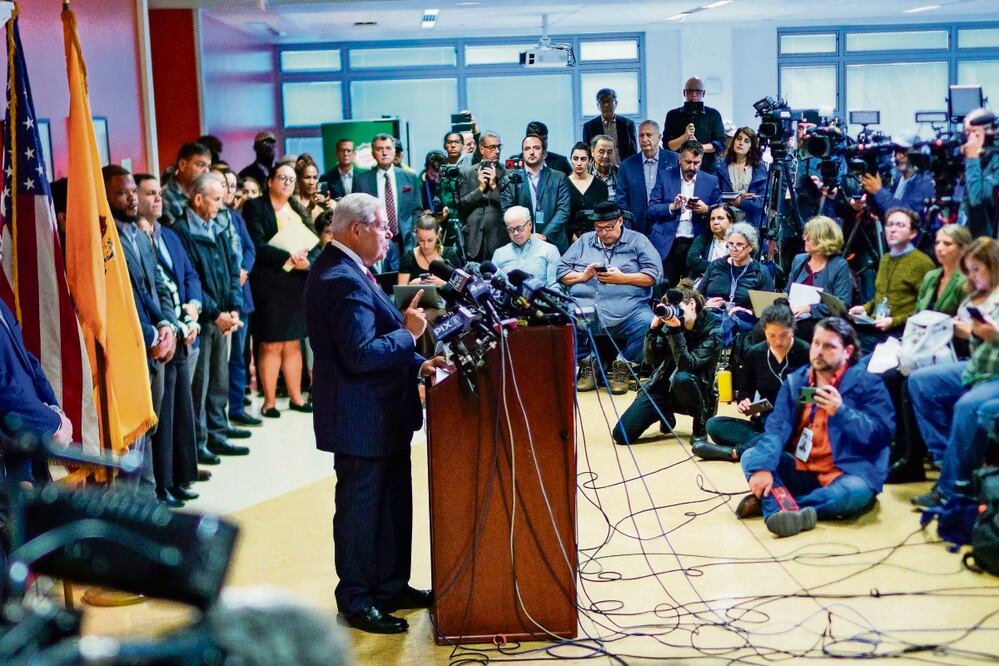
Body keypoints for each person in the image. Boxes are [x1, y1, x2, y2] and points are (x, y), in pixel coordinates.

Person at [304, 192, 449, 634]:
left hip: (383, 414)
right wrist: (409, 336)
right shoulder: (340, 278)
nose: (389, 236)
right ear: (355, 230)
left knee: (391, 505)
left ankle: (389, 585)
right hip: (360, 418)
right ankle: (356, 598)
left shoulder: (354, 269)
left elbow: (378, 338)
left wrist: (418, 362)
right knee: (361, 510)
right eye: (381, 228)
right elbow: (362, 355)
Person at [738, 317, 895, 537]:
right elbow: (775, 430)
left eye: (829, 346)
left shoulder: (867, 383)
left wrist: (841, 412)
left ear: (847, 351)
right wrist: (763, 467)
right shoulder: (796, 383)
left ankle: (779, 505)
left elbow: (882, 435)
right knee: (752, 456)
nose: (819, 351)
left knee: (853, 494)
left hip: (848, 472)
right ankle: (783, 505)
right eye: (816, 343)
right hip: (805, 469)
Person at [907, 237, 999, 508]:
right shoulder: (975, 294)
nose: (973, 276)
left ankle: (949, 488)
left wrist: (992, 335)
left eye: (977, 270)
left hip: (995, 374)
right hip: (976, 368)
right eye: (969, 270)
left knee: (967, 406)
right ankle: (945, 456)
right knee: (920, 383)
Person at [134, 173, 203, 499]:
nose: (157, 199)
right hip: (161, 336)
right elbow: (152, 292)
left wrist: (193, 309)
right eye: (149, 194)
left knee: (180, 412)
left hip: (182, 327)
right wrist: (172, 324)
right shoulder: (133, 237)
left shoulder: (170, 234)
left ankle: (178, 478)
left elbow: (189, 274)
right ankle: (162, 485)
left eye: (158, 193)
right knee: (164, 417)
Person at [172, 173, 247, 460]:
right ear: (198, 198)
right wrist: (216, 313)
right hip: (202, 320)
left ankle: (218, 433)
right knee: (199, 386)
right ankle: (199, 442)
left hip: (224, 317)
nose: (220, 204)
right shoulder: (181, 231)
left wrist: (234, 308)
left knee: (219, 380)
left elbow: (231, 268)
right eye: (216, 199)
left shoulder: (218, 225)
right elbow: (192, 279)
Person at [558, 201, 661, 394]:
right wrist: (582, 276)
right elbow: (561, 271)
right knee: (565, 319)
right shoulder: (584, 241)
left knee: (649, 322)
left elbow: (654, 275)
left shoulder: (638, 241)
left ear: (621, 221)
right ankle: (590, 362)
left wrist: (623, 278)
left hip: (629, 312)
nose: (604, 233)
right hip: (586, 310)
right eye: (599, 228)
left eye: (609, 228)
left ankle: (623, 365)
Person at [243, 162, 318, 419]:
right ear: (270, 181)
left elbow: (314, 240)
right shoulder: (256, 207)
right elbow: (257, 243)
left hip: (296, 283)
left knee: (293, 343)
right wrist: (288, 255)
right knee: (271, 344)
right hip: (270, 283)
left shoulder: (296, 206)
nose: (287, 183)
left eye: (290, 179)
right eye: (282, 178)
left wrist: (307, 261)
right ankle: (270, 402)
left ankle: (297, 397)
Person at [612, 279, 722, 447]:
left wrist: (676, 331)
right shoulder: (668, 323)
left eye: (680, 309)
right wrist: (653, 331)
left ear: (692, 303)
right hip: (663, 386)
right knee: (621, 435)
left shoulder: (713, 328)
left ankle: (701, 422)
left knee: (683, 378)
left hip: (695, 387)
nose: (676, 314)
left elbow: (688, 364)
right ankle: (665, 412)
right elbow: (650, 362)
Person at [699, 300, 810, 462]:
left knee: (787, 429)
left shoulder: (807, 352)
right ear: (764, 331)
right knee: (713, 425)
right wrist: (745, 402)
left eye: (784, 335)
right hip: (766, 420)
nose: (778, 342)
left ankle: (735, 453)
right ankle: (770, 443)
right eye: (772, 335)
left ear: (792, 330)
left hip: (798, 421)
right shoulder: (755, 354)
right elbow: (746, 391)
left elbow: (819, 393)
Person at [848, 207, 935, 353]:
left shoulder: (923, 263)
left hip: (901, 334)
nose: (892, 230)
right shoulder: (886, 258)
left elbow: (926, 311)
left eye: (900, 225)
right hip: (876, 326)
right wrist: (865, 308)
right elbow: (881, 296)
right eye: (889, 225)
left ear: (913, 233)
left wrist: (894, 321)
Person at [647, 140, 722, 286]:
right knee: (667, 288)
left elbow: (720, 210)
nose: (692, 167)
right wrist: (672, 206)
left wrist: (706, 210)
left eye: (696, 163)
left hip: (697, 242)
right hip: (668, 241)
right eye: (688, 162)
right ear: (679, 159)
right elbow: (651, 209)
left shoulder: (711, 180)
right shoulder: (665, 176)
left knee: (692, 289)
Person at [352, 133, 424, 271]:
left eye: (388, 148)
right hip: (375, 240)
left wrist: (413, 235)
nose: (384, 152)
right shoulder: (361, 180)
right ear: (373, 153)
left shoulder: (410, 177)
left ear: (394, 151)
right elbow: (357, 214)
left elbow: (417, 210)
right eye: (379, 149)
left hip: (404, 241)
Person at [784, 216, 855, 342]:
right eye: (805, 235)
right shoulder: (799, 260)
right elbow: (787, 291)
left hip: (820, 321)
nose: (805, 239)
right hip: (793, 316)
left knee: (794, 330)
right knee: (762, 327)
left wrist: (810, 308)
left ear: (823, 240)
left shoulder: (839, 265)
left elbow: (842, 305)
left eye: (809, 237)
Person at [500, 134, 572, 252]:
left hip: (553, 242)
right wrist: (528, 236)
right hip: (521, 244)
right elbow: (507, 212)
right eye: (527, 149)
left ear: (544, 153)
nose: (531, 152)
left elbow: (563, 211)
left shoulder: (558, 177)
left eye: (536, 148)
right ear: (522, 153)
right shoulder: (510, 180)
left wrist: (543, 236)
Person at [616, 120, 679, 236]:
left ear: (659, 137)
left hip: (668, 227)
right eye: (641, 135)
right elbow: (622, 202)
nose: (644, 139)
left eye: (649, 135)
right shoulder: (627, 165)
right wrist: (629, 230)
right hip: (637, 229)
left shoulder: (675, 160)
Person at [860, 135, 936, 230]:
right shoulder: (898, 179)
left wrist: (879, 192)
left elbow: (909, 215)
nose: (898, 156)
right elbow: (890, 207)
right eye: (896, 151)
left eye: (903, 151)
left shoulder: (924, 181)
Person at [698, 222, 774, 315]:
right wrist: (705, 304)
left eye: (739, 245)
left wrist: (748, 311)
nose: (734, 249)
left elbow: (766, 309)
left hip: (743, 321)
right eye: (730, 244)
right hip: (712, 316)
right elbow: (697, 296)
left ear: (750, 247)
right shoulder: (716, 265)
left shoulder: (760, 272)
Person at [457, 131, 506, 262]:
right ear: (482, 149)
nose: (497, 151)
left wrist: (494, 186)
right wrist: (480, 189)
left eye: (499, 147)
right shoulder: (467, 173)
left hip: (498, 240)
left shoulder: (507, 173)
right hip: (473, 239)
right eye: (492, 147)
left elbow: (508, 206)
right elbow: (462, 206)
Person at [663, 76, 726, 173]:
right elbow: (668, 145)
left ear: (703, 93)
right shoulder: (673, 115)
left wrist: (699, 147)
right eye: (690, 91)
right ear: (684, 92)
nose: (694, 94)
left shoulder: (713, 114)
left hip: (706, 169)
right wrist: (685, 136)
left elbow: (720, 144)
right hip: (679, 170)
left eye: (698, 91)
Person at [491, 206, 561, 288]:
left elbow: (555, 287)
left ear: (530, 225)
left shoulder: (549, 250)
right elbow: (492, 288)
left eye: (519, 228)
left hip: (539, 298)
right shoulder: (499, 253)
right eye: (511, 230)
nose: (515, 233)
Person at [714, 127, 767, 229]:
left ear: (751, 146)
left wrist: (742, 202)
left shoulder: (759, 167)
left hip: (751, 221)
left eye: (746, 141)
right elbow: (715, 195)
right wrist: (731, 199)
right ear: (734, 141)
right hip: (727, 220)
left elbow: (762, 200)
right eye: (738, 138)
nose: (741, 143)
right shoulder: (721, 165)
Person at [960, 108, 999, 238]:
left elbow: (977, 198)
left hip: (988, 242)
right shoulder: (971, 158)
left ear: (990, 131)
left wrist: (972, 159)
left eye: (974, 132)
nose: (970, 139)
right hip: (968, 236)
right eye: (967, 133)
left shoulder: (995, 160)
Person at [397, 214, 457, 287]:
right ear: (416, 236)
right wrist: (411, 284)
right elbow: (401, 292)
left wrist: (443, 284)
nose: (426, 245)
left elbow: (462, 289)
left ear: (437, 234)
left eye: (430, 240)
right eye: (421, 240)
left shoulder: (449, 254)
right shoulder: (408, 258)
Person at [566, 141, 609, 242]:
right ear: (571, 160)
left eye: (583, 159)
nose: (579, 163)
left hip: (597, 239)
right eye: (575, 159)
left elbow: (603, 215)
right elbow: (562, 217)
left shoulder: (600, 186)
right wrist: (574, 239)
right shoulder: (563, 184)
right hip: (569, 240)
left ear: (590, 161)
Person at [161, 142, 212, 227]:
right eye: (201, 165)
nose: (206, 171)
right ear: (182, 165)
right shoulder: (165, 196)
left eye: (208, 167)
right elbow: (177, 234)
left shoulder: (207, 193)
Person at [582, 88, 638, 162]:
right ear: (598, 105)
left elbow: (633, 152)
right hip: (600, 170)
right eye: (602, 101)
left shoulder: (628, 124)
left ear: (616, 103)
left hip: (623, 169)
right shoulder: (589, 126)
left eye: (609, 101)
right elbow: (587, 153)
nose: (606, 105)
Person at [686, 204, 733, 281]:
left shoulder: (739, 242)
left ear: (731, 222)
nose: (715, 222)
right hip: (702, 282)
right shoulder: (702, 239)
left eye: (720, 218)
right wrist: (721, 268)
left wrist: (704, 264)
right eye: (712, 219)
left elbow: (737, 268)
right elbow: (691, 261)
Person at [294, 154, 333, 220]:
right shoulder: (292, 202)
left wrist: (327, 210)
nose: (312, 182)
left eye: (315, 177)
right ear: (298, 179)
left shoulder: (325, 202)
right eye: (307, 177)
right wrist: (310, 208)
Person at [589, 134, 619, 200]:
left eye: (610, 152)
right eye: (601, 152)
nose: (605, 156)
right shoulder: (583, 174)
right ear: (592, 152)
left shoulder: (621, 173)